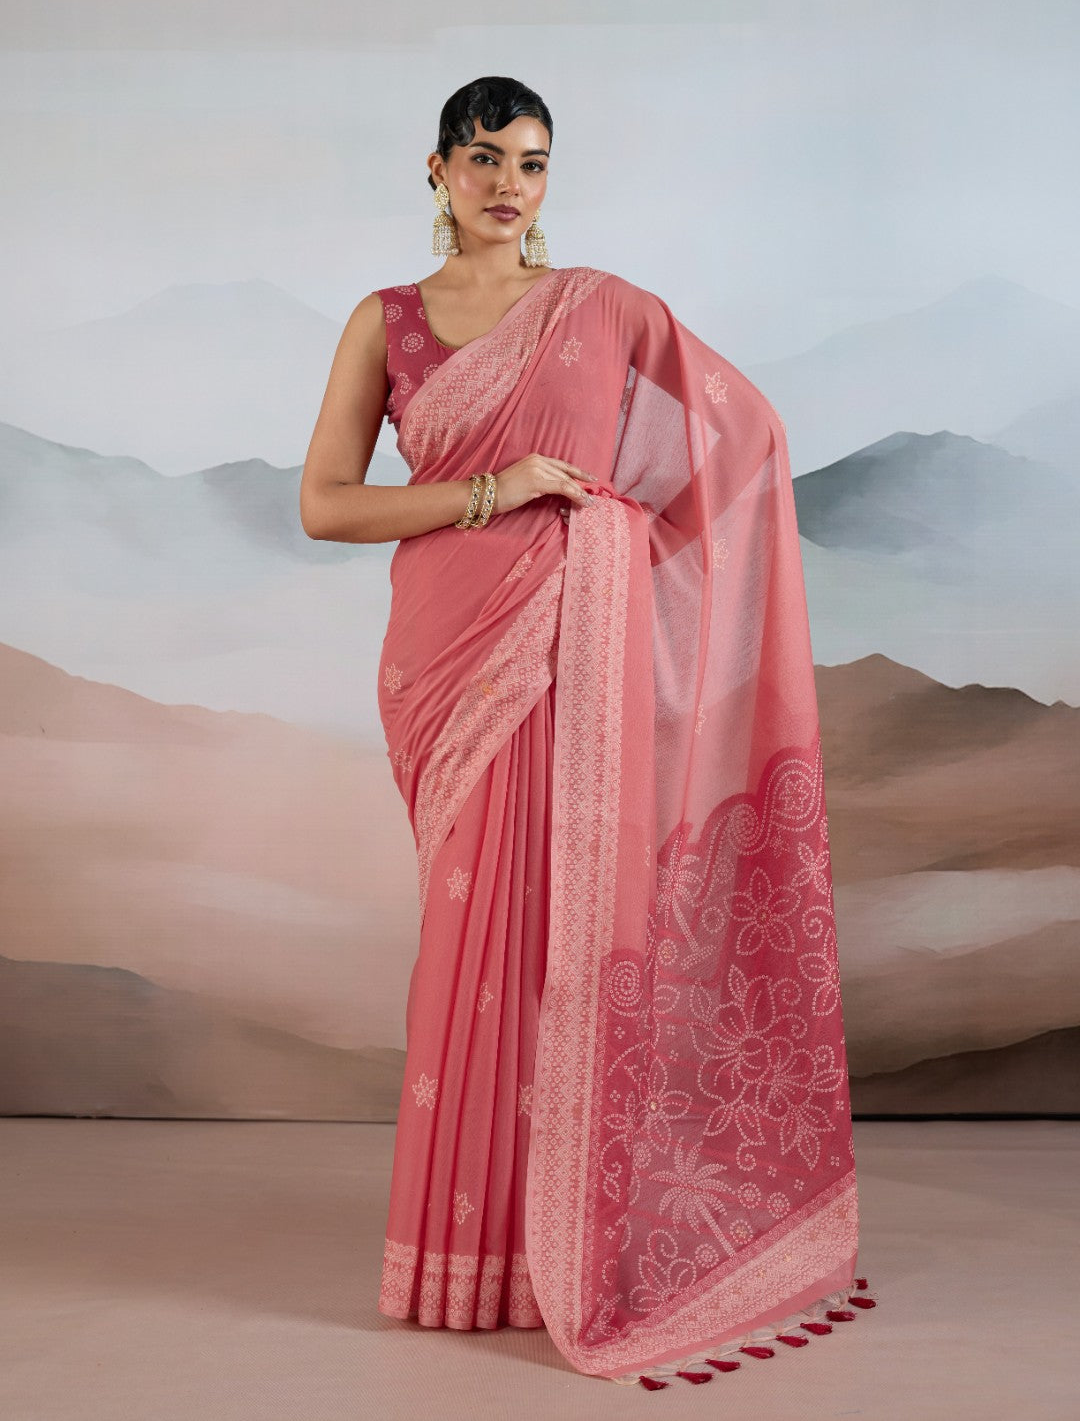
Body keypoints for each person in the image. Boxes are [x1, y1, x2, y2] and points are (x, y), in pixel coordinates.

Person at [300, 75, 875, 1389]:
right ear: (436, 170)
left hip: (576, 655)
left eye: (534, 162)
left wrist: (615, 534)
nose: (509, 184)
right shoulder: (386, 321)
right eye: (484, 158)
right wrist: (495, 490)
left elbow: (742, 441)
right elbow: (327, 504)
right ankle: (467, 1255)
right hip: (447, 659)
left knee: (559, 941)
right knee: (472, 941)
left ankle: (561, 1238)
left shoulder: (604, 309)